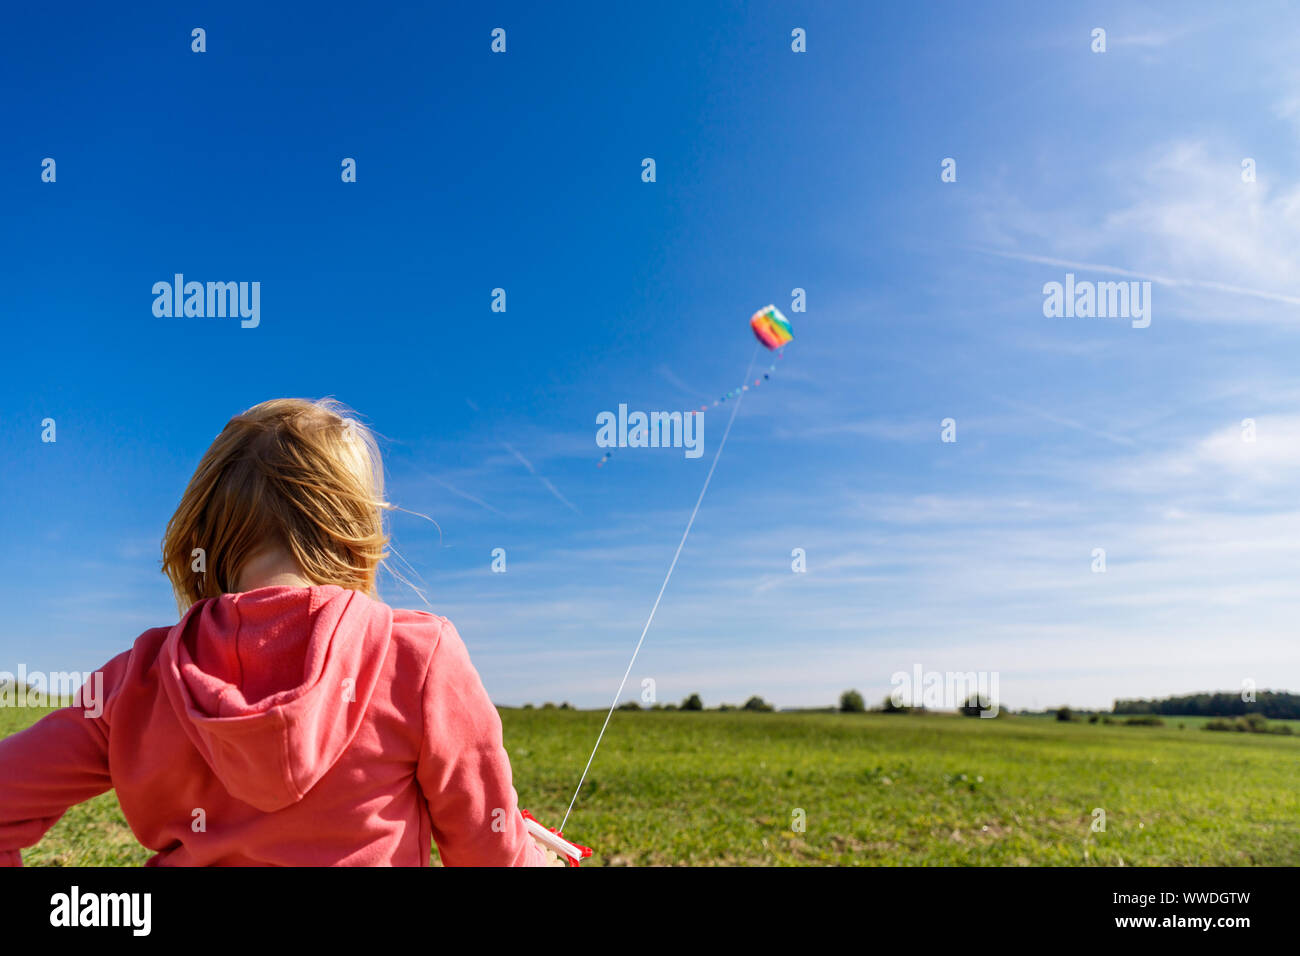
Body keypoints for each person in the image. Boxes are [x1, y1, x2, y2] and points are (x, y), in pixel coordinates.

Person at [0, 398, 559, 866]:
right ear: (355, 529)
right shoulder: (419, 655)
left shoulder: (136, 679)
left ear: (205, 531)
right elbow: (492, 853)